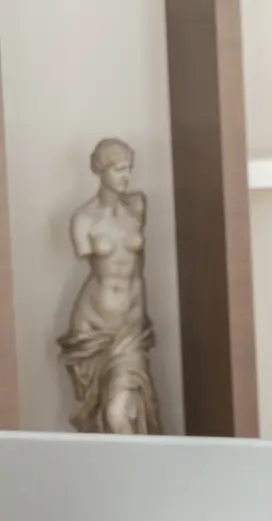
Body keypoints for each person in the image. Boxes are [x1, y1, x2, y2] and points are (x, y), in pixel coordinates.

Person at [59, 137, 162, 435]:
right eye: (118, 169)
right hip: (93, 327)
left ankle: (136, 474)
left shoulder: (137, 206)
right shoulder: (83, 220)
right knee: (106, 414)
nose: (125, 176)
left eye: (128, 169)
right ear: (100, 171)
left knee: (120, 412)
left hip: (130, 327)